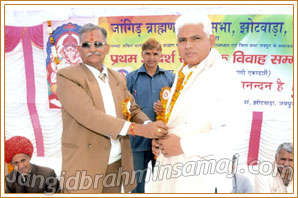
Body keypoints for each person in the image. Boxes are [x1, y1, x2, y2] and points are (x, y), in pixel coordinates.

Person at [56, 23, 168, 193]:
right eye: (86, 45)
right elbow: (89, 115)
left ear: (107, 48)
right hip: (84, 163)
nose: (92, 48)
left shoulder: (118, 78)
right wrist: (137, 129)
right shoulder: (67, 76)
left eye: (98, 44)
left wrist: (148, 125)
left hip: (115, 163)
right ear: (79, 49)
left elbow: (133, 108)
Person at [151, 13, 244, 193]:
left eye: (196, 38)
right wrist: (161, 142)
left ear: (211, 40)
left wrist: (183, 145)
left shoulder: (223, 74)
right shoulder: (184, 71)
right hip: (174, 175)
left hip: (202, 180)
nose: (188, 45)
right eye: (182, 40)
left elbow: (234, 133)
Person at [126, 38, 175, 193]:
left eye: (155, 53)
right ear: (142, 54)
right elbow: (125, 107)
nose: (151, 57)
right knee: (136, 185)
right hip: (137, 141)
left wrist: (166, 108)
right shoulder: (131, 78)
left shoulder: (170, 78)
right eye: (148, 53)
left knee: (162, 185)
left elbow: (178, 107)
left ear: (161, 55)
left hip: (162, 142)